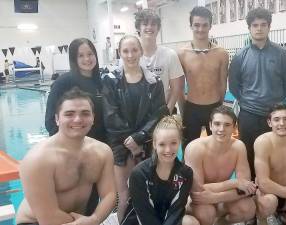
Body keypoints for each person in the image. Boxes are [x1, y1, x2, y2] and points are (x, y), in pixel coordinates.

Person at [16, 87, 116, 225]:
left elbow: (109, 195)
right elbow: (48, 218)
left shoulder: (103, 152)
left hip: (83, 220)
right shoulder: (38, 159)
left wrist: (94, 219)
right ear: (57, 119)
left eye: (85, 113)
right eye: (69, 114)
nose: (77, 119)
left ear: (93, 118)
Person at [101, 35, 168, 222]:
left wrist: (140, 137)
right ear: (120, 53)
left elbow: (159, 113)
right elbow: (110, 115)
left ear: (141, 51)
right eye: (125, 51)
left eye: (134, 50)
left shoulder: (154, 81)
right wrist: (131, 142)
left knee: (149, 194)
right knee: (123, 197)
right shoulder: (110, 79)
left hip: (146, 142)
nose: (130, 55)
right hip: (120, 145)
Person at [229, 7, 286, 180]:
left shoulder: (282, 55)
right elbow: (234, 87)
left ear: (269, 27)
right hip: (249, 115)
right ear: (249, 28)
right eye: (255, 25)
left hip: (274, 115)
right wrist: (248, 102)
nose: (259, 28)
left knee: (275, 155)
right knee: (249, 154)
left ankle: (276, 196)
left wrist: (275, 104)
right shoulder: (239, 57)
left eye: (263, 24)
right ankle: (252, 194)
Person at [185, 105, 257, 225]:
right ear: (210, 125)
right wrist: (234, 182)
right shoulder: (195, 148)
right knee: (206, 213)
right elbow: (197, 192)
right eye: (217, 124)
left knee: (248, 208)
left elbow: (246, 188)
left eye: (227, 125)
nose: (221, 129)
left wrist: (215, 198)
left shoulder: (238, 147)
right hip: (196, 201)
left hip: (217, 197)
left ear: (234, 127)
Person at [126, 116, 199, 225]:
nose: (168, 150)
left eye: (173, 143)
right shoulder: (139, 173)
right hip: (141, 221)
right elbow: (144, 213)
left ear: (179, 142)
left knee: (191, 222)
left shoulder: (186, 173)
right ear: (154, 144)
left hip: (168, 221)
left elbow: (176, 210)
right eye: (162, 144)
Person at [178, 6, 229, 150]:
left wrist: (219, 108)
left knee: (217, 149)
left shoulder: (221, 53)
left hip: (214, 107)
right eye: (197, 25)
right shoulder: (182, 54)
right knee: (189, 149)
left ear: (210, 26)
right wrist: (184, 112)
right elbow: (179, 88)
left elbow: (222, 84)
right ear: (191, 26)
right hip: (191, 109)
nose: (201, 29)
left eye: (205, 25)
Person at [45, 38, 106, 142]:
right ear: (74, 58)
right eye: (81, 55)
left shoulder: (101, 83)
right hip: (72, 146)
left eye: (90, 54)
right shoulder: (63, 82)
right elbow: (50, 121)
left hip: (99, 145)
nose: (87, 59)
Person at [135, 9, 185, 115]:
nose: (149, 27)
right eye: (145, 24)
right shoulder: (131, 57)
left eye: (153, 24)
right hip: (137, 114)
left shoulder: (170, 55)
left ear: (158, 29)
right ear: (138, 28)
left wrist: (168, 110)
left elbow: (176, 88)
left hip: (162, 110)